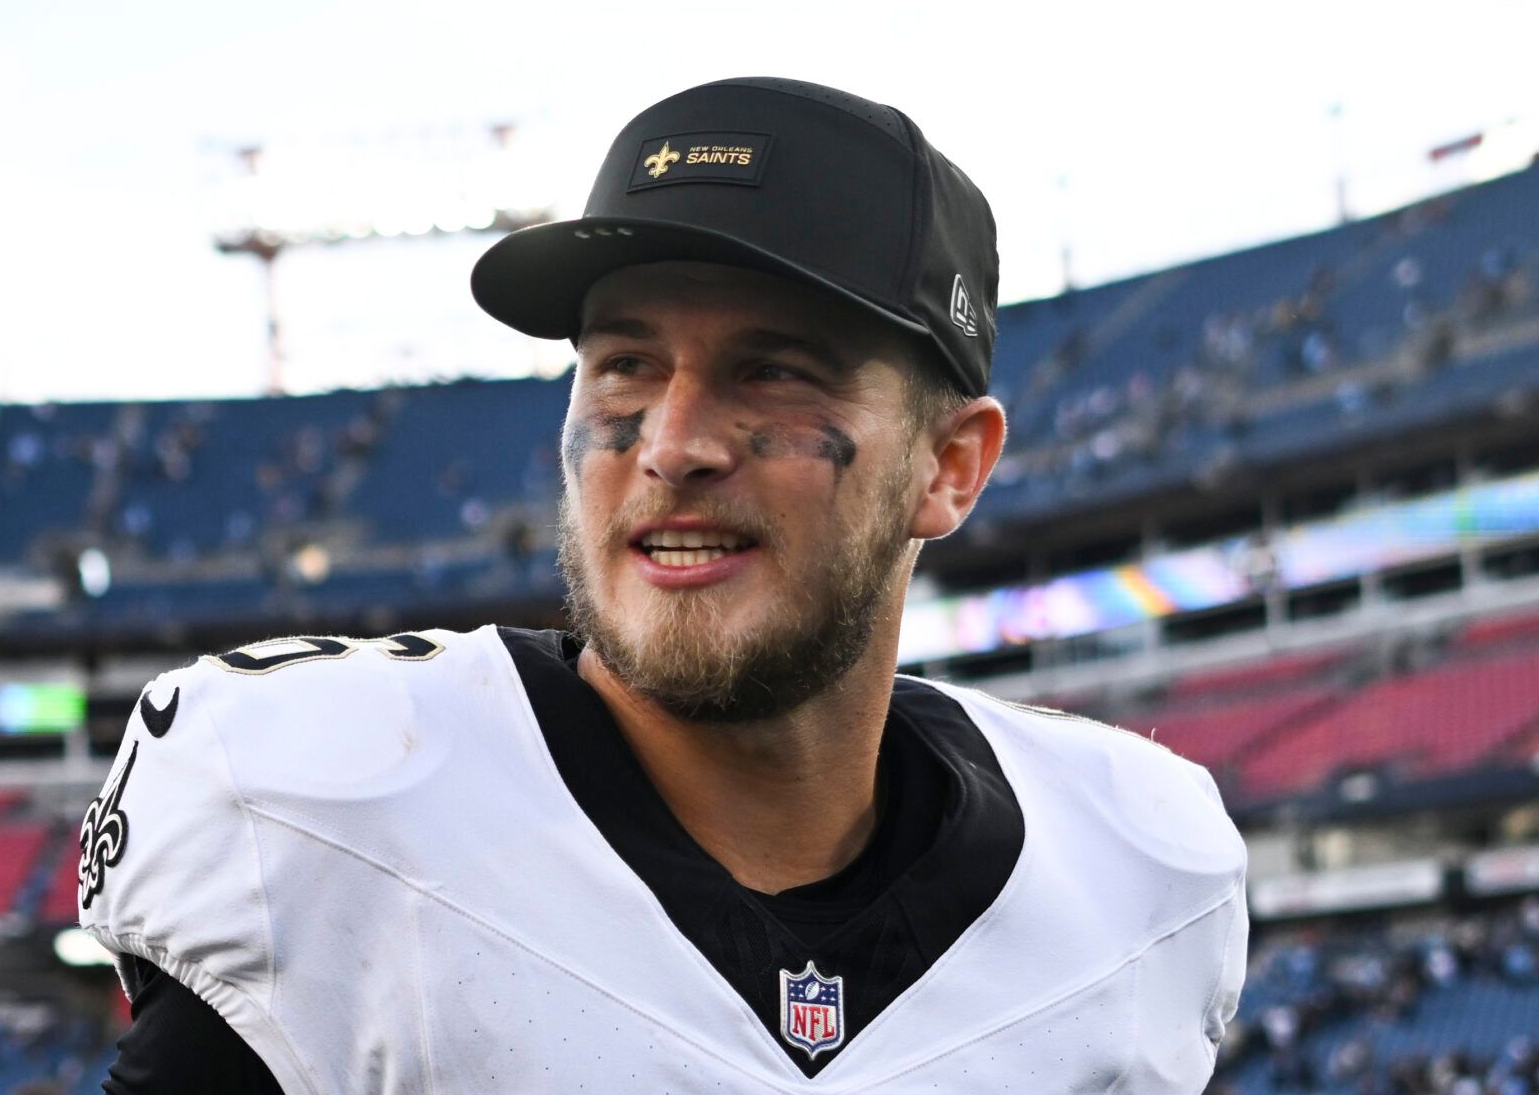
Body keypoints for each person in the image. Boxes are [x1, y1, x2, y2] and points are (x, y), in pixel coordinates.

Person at [81, 77, 1248, 1092]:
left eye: (773, 370)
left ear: (949, 467)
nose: (673, 439)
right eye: (627, 362)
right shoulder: (316, 815)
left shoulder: (1138, 869)